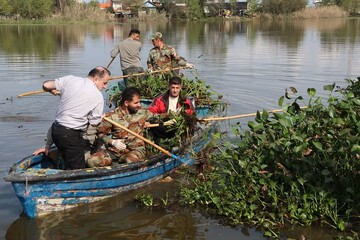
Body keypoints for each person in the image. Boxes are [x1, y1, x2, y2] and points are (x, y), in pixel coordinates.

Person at [42, 66, 111, 170]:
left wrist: (52, 91)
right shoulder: (98, 96)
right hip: (70, 135)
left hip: (56, 131)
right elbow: (94, 123)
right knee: (77, 169)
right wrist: (101, 117)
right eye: (104, 83)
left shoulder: (70, 79)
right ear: (95, 78)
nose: (105, 86)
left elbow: (46, 85)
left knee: (69, 158)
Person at [87, 87, 155, 168]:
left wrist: (151, 122)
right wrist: (112, 142)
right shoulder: (112, 116)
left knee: (129, 162)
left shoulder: (143, 112)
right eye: (136, 103)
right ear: (126, 103)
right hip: (116, 151)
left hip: (136, 149)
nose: (139, 105)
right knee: (92, 161)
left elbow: (158, 118)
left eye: (139, 102)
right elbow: (101, 134)